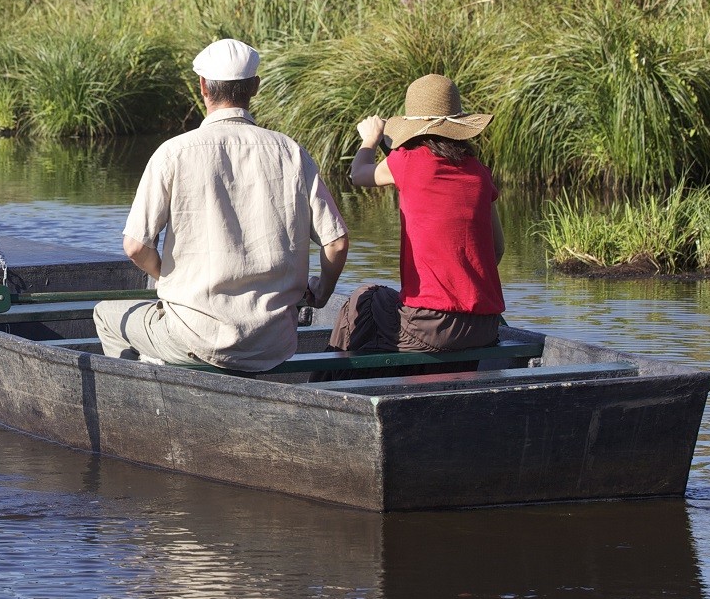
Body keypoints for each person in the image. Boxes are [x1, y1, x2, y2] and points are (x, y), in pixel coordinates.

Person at [94, 38, 349, 372]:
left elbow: (135, 246)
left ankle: (150, 386)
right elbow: (337, 242)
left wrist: (166, 276)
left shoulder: (173, 153)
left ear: (203, 87)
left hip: (194, 338)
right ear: (254, 87)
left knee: (106, 315)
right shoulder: (291, 153)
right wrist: (325, 291)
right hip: (275, 342)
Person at [341, 74, 505, 354]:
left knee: (364, 299)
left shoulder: (407, 161)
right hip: (486, 327)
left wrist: (370, 139)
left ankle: (337, 391)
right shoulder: (479, 172)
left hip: (432, 327)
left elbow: (358, 174)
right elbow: (497, 250)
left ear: (413, 127)